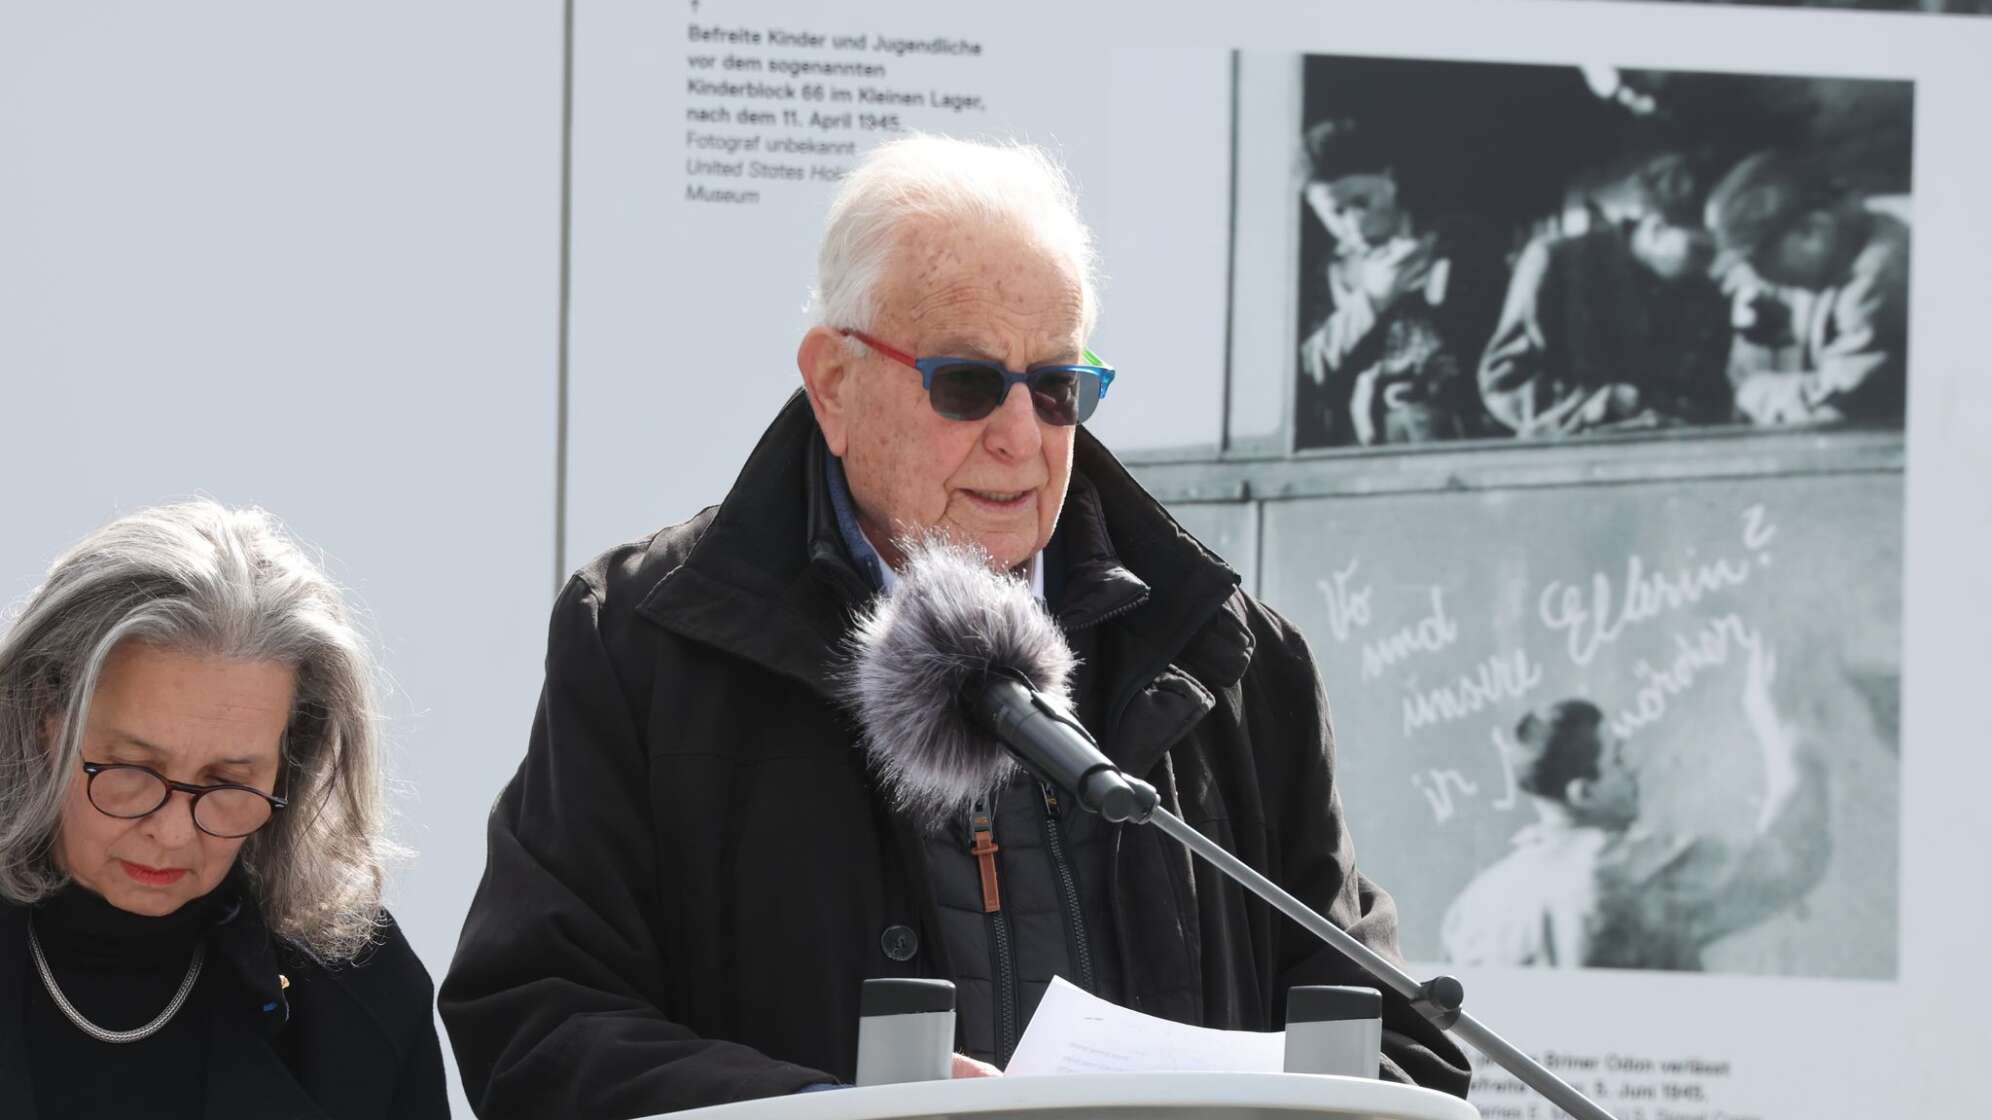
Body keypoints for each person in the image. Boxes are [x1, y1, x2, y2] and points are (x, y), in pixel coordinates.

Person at [440, 135, 1471, 1117]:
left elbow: (1400, 1046)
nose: (1021, 436)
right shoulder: (647, 640)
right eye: (969, 382)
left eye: (1060, 386)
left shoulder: (1231, 660)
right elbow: (535, 1018)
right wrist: (824, 1118)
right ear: (835, 384)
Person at [0, 501, 447, 1118]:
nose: (173, 832)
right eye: (135, 770)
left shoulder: (355, 989)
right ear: (44, 722)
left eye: (227, 783)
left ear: (289, 765)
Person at [1440, 642, 1830, 971]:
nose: (1634, 769)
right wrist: (1783, 727)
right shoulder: (1624, 871)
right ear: (1584, 794)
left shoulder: (1474, 908)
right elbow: (1790, 861)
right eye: (1618, 760)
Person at [1478, 150, 1736, 437]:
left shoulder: (1702, 291)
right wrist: (1591, 405)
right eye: (1701, 252)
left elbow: (1711, 393)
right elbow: (1503, 381)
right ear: (1656, 228)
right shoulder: (1559, 262)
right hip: (1566, 462)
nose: (1710, 267)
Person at [1296, 118, 1502, 447]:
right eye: (1336, 213)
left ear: (1390, 179)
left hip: (1467, 433)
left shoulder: (1461, 239)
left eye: (1363, 202)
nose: (1356, 225)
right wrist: (1371, 301)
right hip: (1367, 445)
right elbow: (1306, 371)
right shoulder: (1327, 274)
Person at [1705, 149, 1910, 426]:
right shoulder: (1842, 250)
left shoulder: (1876, 283)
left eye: (1758, 260)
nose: (1756, 276)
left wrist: (1753, 392)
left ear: (1813, 231)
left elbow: (1834, 409)